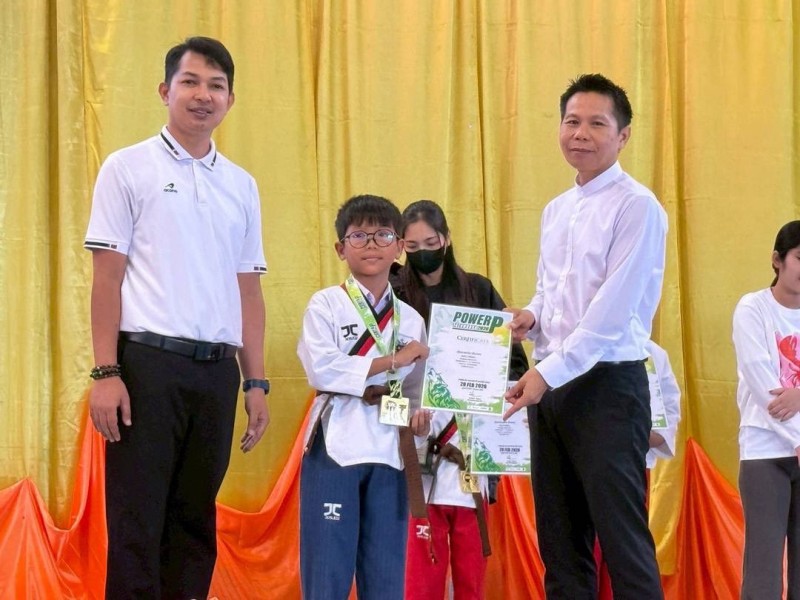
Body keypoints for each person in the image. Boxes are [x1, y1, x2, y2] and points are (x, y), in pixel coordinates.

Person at [84, 37, 270, 599]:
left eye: (216, 86)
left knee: (195, 522)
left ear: (231, 100)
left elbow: (248, 291)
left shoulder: (241, 184)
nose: (203, 95)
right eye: (190, 82)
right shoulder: (127, 168)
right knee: (137, 518)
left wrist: (256, 382)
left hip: (216, 374)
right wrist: (105, 372)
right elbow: (106, 279)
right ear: (165, 91)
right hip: (147, 367)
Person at [504, 73, 668, 599]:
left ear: (623, 135)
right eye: (572, 121)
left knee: (622, 541)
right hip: (552, 389)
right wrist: (530, 317)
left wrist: (543, 374)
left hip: (607, 388)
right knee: (560, 543)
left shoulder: (637, 206)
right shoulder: (556, 210)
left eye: (597, 123)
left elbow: (610, 313)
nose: (581, 133)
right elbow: (550, 291)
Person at [392, 199, 530, 600]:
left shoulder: (478, 290)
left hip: (473, 437)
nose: (422, 253)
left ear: (447, 239)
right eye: (412, 247)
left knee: (471, 561)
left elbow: (515, 364)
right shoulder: (396, 296)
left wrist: (499, 398)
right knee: (423, 560)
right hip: (418, 432)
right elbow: (386, 370)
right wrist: (403, 415)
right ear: (401, 247)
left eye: (430, 243)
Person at [297, 194, 432, 600]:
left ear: (399, 247)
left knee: (386, 575)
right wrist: (392, 360)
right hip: (336, 443)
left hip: (391, 447)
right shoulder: (326, 304)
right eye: (359, 236)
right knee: (327, 571)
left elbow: (416, 390)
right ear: (341, 248)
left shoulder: (411, 319)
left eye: (383, 235)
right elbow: (322, 369)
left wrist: (421, 422)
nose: (371, 245)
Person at [732, 220, 800, 600]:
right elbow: (766, 389)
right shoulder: (752, 308)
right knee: (763, 569)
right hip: (765, 451)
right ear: (777, 259)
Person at [595, 339, 682, 600]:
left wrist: (635, 431)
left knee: (626, 551)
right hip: (580, 465)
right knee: (584, 551)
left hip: (631, 465)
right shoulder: (569, 349)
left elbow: (669, 415)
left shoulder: (653, 353)